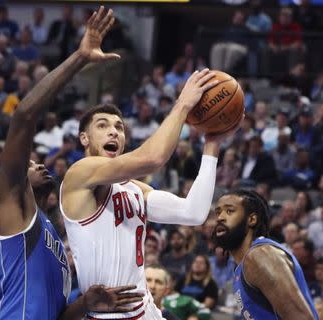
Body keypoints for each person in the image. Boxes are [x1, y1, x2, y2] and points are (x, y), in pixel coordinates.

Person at [61, 35, 240, 320]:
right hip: (107, 315)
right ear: (84, 138)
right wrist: (182, 104)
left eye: (119, 127)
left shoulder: (134, 189)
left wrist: (212, 146)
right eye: (103, 125)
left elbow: (193, 213)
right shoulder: (78, 175)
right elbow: (153, 158)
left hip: (147, 311)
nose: (113, 132)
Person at [0, 6, 143, 320]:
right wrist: (80, 58)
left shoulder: (54, 236)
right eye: (29, 165)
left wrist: (85, 303)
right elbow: (24, 116)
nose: (38, 164)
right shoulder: (13, 214)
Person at [212, 189, 319, 319]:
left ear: (251, 219)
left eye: (229, 211)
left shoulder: (261, 255)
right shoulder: (243, 264)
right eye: (218, 212)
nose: (220, 218)